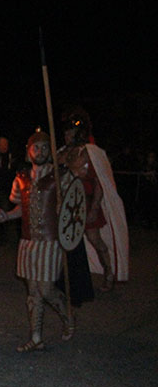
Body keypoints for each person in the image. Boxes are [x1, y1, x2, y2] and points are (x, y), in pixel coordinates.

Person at [0, 129, 74, 352]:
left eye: (45, 147)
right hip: (28, 241)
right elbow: (21, 207)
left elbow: (74, 207)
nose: (40, 151)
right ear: (29, 152)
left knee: (46, 289)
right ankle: (36, 337)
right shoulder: (21, 178)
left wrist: (63, 208)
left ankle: (67, 317)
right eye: (36, 147)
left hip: (50, 240)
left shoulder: (61, 176)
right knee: (33, 292)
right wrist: (6, 215)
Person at [56, 107, 128, 292]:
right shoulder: (61, 153)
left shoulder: (90, 152)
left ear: (79, 132)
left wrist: (95, 207)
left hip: (85, 203)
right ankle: (66, 278)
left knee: (94, 239)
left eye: (70, 131)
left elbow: (98, 182)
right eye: (65, 131)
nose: (66, 135)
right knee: (62, 241)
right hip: (65, 205)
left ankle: (109, 272)